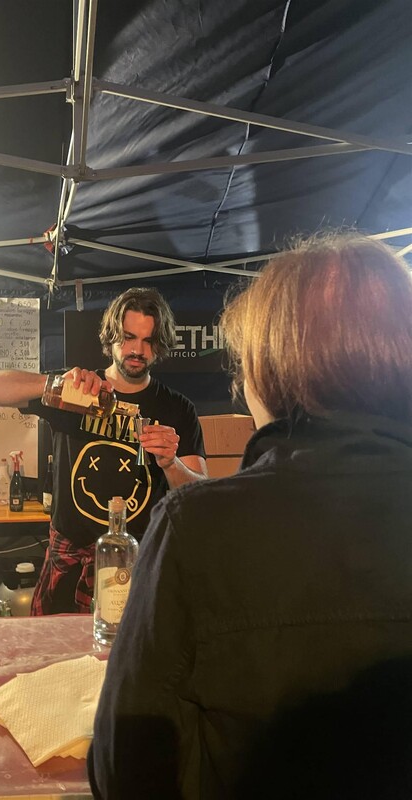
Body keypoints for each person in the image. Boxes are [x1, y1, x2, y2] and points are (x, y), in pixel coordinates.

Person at [88, 233, 412, 799]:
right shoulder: (84, 394)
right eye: (128, 337)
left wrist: (171, 466)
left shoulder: (194, 523)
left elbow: (127, 769)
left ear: (268, 369)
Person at [0, 287, 206, 614]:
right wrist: (54, 384)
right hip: (70, 562)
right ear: (112, 337)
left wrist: (171, 463)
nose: (137, 350)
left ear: (160, 345)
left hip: (138, 562)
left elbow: (199, 494)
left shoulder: (177, 408)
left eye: (149, 341)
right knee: (60, 648)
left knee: (130, 648)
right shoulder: (77, 392)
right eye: (128, 337)